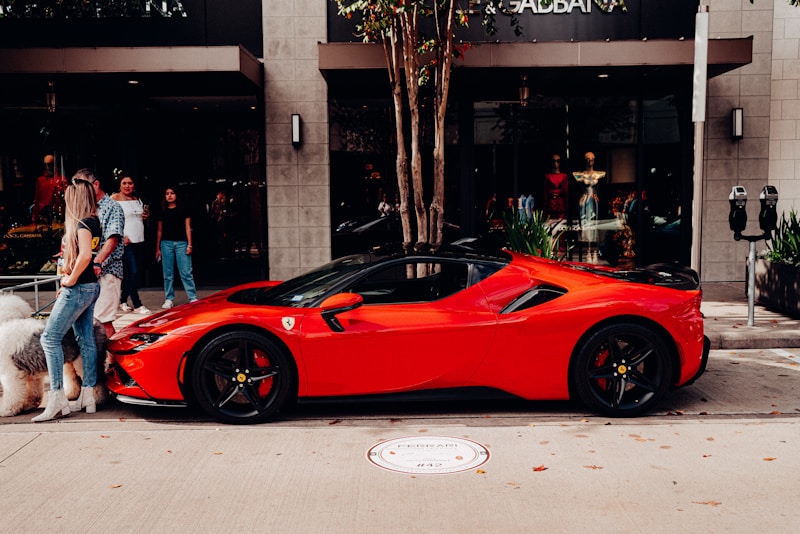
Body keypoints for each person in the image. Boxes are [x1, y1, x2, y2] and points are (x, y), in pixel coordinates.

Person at [32, 179, 102, 422]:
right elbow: (91, 256)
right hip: (91, 287)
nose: (64, 199)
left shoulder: (82, 223)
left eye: (68, 196)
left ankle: (57, 396)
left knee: (49, 338)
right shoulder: (95, 222)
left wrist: (70, 279)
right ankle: (88, 396)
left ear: (76, 199)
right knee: (86, 340)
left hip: (79, 288)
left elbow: (84, 255)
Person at [74, 168, 125, 340]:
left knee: (104, 321)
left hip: (107, 269)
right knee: (89, 320)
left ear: (95, 184)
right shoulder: (85, 208)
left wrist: (97, 262)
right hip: (87, 272)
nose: (80, 191)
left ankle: (113, 363)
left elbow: (113, 238)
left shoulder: (112, 207)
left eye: (83, 186)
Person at [112, 175, 150, 315]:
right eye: (124, 183)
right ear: (120, 185)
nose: (127, 186)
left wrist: (145, 216)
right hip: (125, 241)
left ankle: (122, 300)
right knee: (131, 272)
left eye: (130, 183)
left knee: (135, 272)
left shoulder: (136, 199)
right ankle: (137, 304)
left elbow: (138, 217)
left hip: (139, 239)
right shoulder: (114, 199)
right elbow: (110, 220)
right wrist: (120, 236)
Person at [156, 186, 197, 308]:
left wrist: (190, 244)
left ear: (177, 195)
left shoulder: (184, 209)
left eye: (172, 193)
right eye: (167, 193)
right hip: (166, 243)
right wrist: (157, 248)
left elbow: (188, 227)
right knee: (167, 274)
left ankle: (192, 297)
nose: (169, 195)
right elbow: (159, 230)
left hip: (182, 243)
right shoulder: (162, 211)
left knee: (186, 272)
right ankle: (169, 298)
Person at [544, 154, 568, 220]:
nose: (556, 163)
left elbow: (566, 193)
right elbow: (545, 194)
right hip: (551, 205)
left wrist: (567, 210)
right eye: (554, 161)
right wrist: (545, 211)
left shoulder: (564, 176)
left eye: (558, 161)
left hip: (561, 205)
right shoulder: (547, 176)